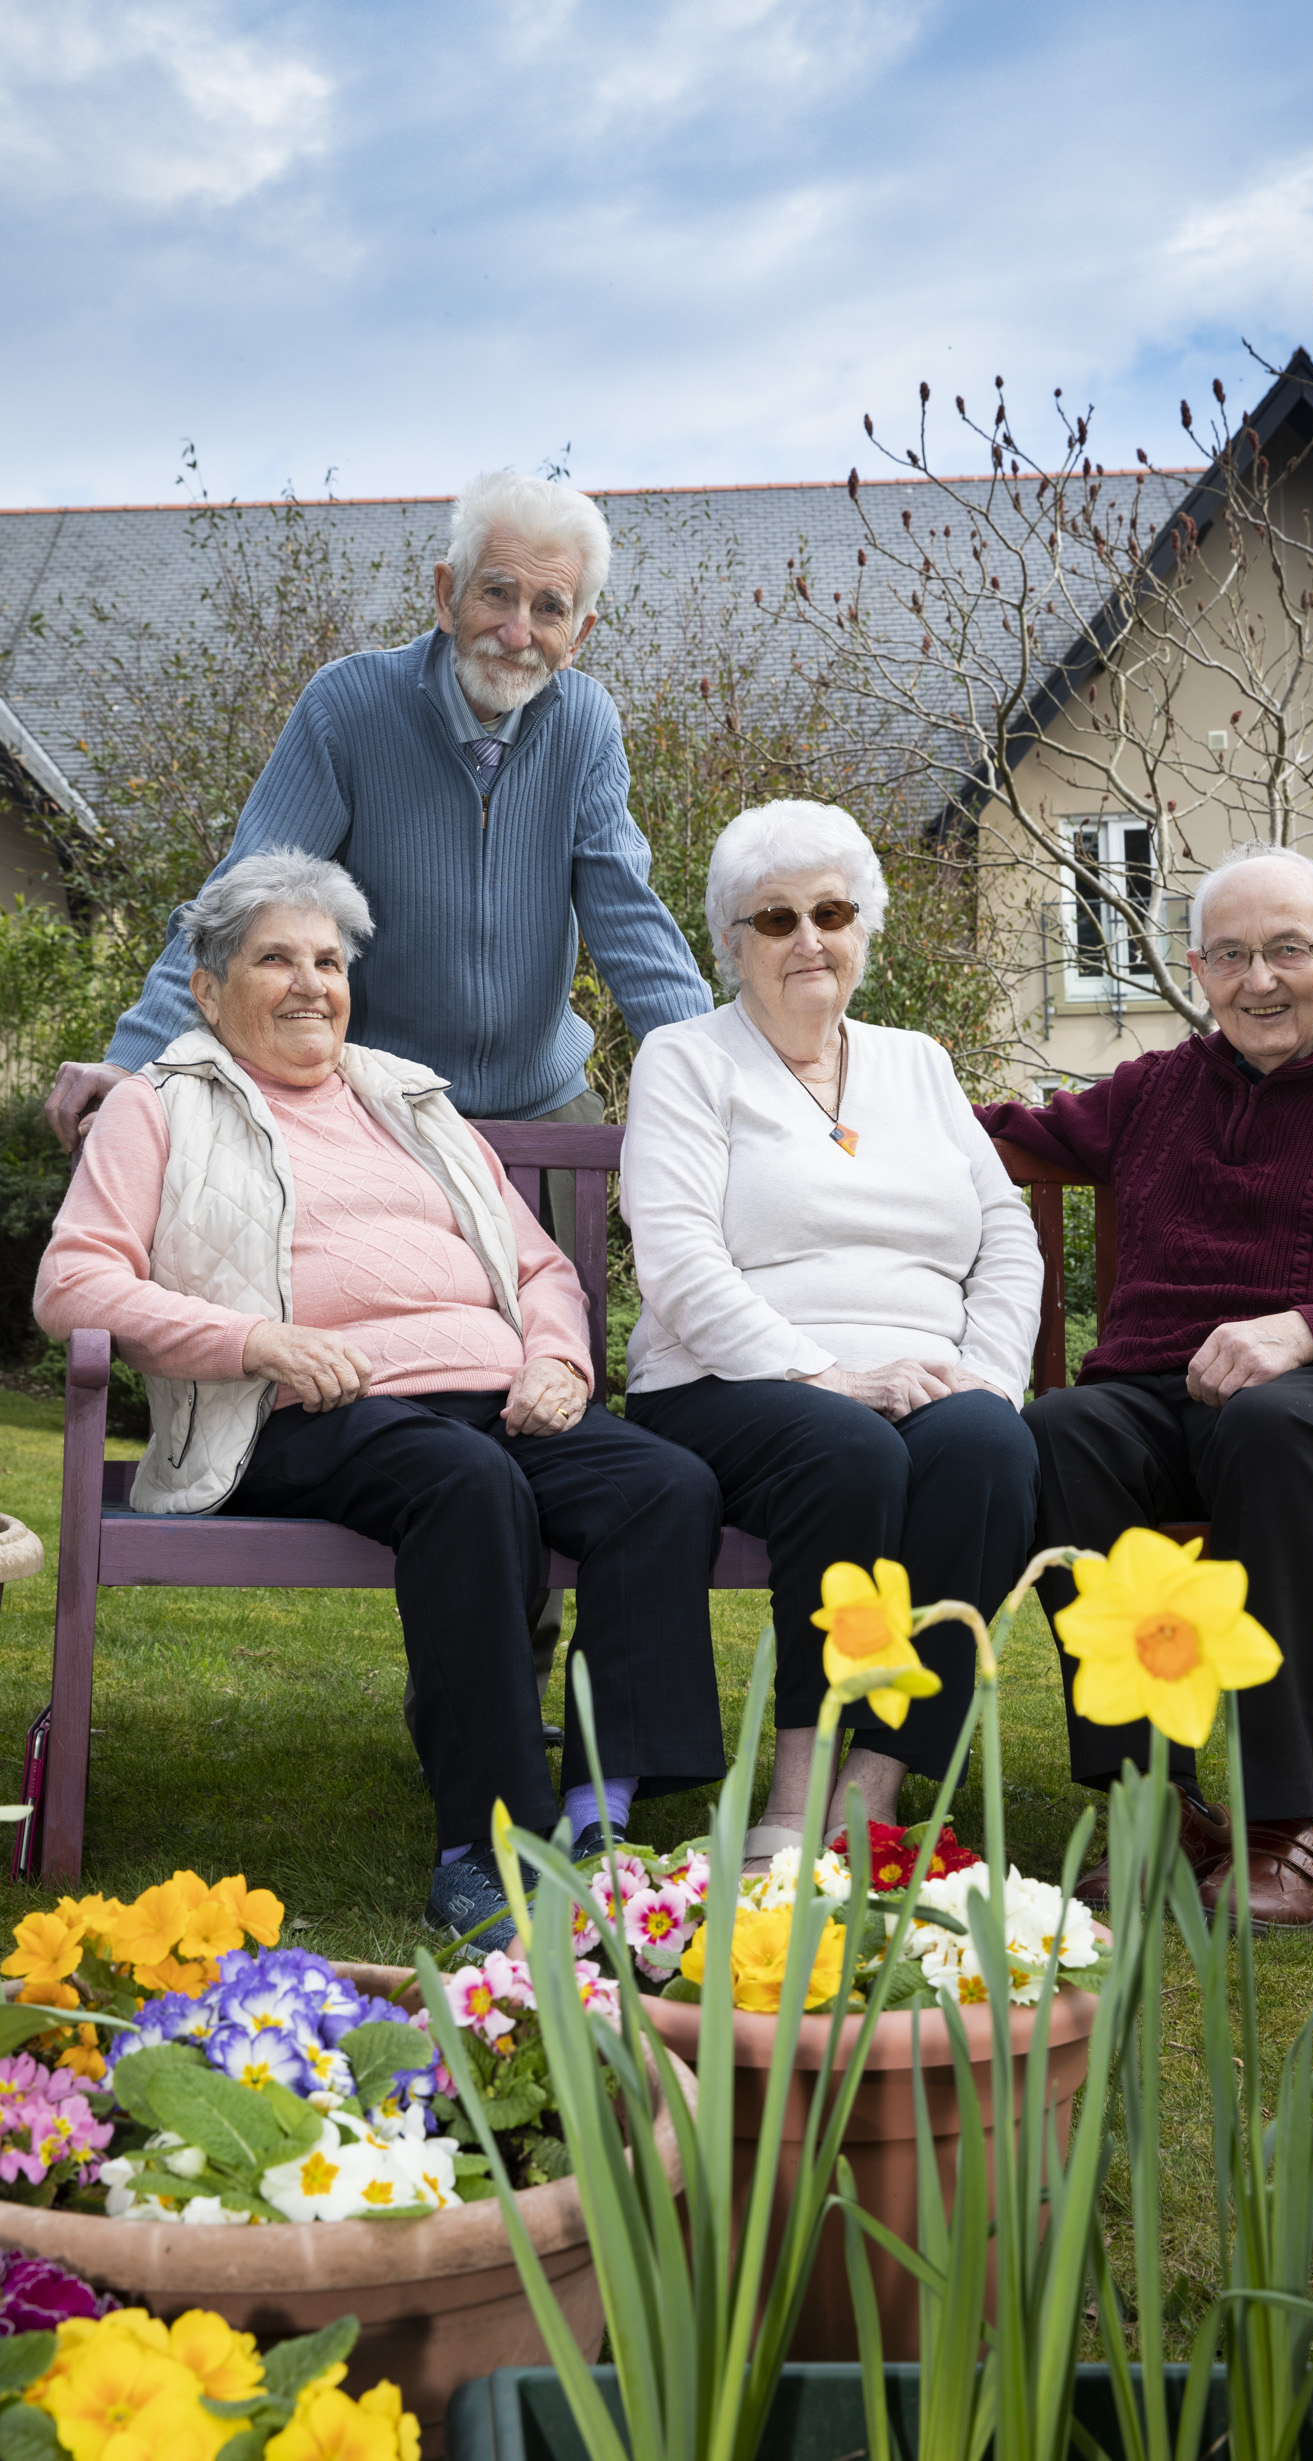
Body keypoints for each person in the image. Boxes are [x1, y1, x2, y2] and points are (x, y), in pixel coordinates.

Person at [43, 470, 715, 1692]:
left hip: (535, 1098)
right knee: (433, 1425)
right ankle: (484, 1672)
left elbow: (628, 916)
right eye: (497, 592)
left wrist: (732, 1078)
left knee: (553, 1388)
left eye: (550, 606)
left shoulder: (585, 725)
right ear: (445, 589)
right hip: (383, 1113)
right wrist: (139, 1058)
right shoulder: (351, 705)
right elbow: (250, 886)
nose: (519, 628)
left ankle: (538, 1666)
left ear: (584, 629)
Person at [34, 849, 725, 1944]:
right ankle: (485, 1849)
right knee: (466, 1482)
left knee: (665, 1483)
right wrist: (255, 1338)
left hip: (496, 1395)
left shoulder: (409, 1100)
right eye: (276, 959)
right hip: (299, 1408)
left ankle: (601, 1815)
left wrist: (558, 1360)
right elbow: (73, 1279)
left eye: (328, 959)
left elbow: (540, 1266)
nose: (312, 981)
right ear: (210, 989)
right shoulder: (163, 1105)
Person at [979, 843, 1313, 1930]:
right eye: (1232, 956)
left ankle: (1287, 1823)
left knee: (1272, 1429)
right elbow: (1007, 1137)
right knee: (1058, 1431)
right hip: (1153, 1397)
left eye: (1288, 949)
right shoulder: (1159, 1089)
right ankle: (1155, 1806)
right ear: (1198, 968)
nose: (1260, 979)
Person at [620, 800, 1043, 1858]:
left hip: (923, 1381)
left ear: (865, 929)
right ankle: (796, 1792)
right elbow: (677, 1261)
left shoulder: (918, 1063)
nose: (808, 937)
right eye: (775, 919)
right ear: (732, 943)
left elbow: (1008, 1239)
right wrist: (826, 1374)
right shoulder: (686, 1059)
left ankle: (877, 1781)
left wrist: (986, 1375)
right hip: (726, 1384)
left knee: (991, 1447)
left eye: (832, 911)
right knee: (847, 1446)